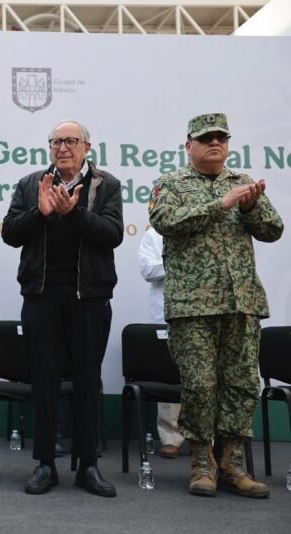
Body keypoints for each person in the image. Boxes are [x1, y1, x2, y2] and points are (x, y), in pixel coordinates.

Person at [149, 113, 283, 498]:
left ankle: (233, 464)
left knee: (241, 384)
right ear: (188, 144)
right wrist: (219, 205)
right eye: (206, 138)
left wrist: (249, 207)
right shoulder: (171, 184)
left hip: (242, 302)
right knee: (200, 384)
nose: (215, 144)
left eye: (221, 138)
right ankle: (202, 462)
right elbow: (164, 221)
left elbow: (273, 230)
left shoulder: (243, 184)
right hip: (193, 305)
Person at [2, 120, 123, 498]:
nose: (63, 147)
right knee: (44, 378)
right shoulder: (30, 184)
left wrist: (74, 213)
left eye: (71, 141)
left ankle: (88, 465)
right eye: (56, 141)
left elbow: (112, 234)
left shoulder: (107, 185)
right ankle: (45, 465)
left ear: (87, 147)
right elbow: (10, 233)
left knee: (88, 379)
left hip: (88, 297)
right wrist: (39, 212)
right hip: (41, 296)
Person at [138, 227, 184, 459]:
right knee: (168, 374)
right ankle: (170, 437)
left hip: (200, 312)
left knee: (203, 377)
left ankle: (203, 437)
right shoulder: (153, 236)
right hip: (165, 315)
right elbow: (148, 270)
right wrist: (179, 261)